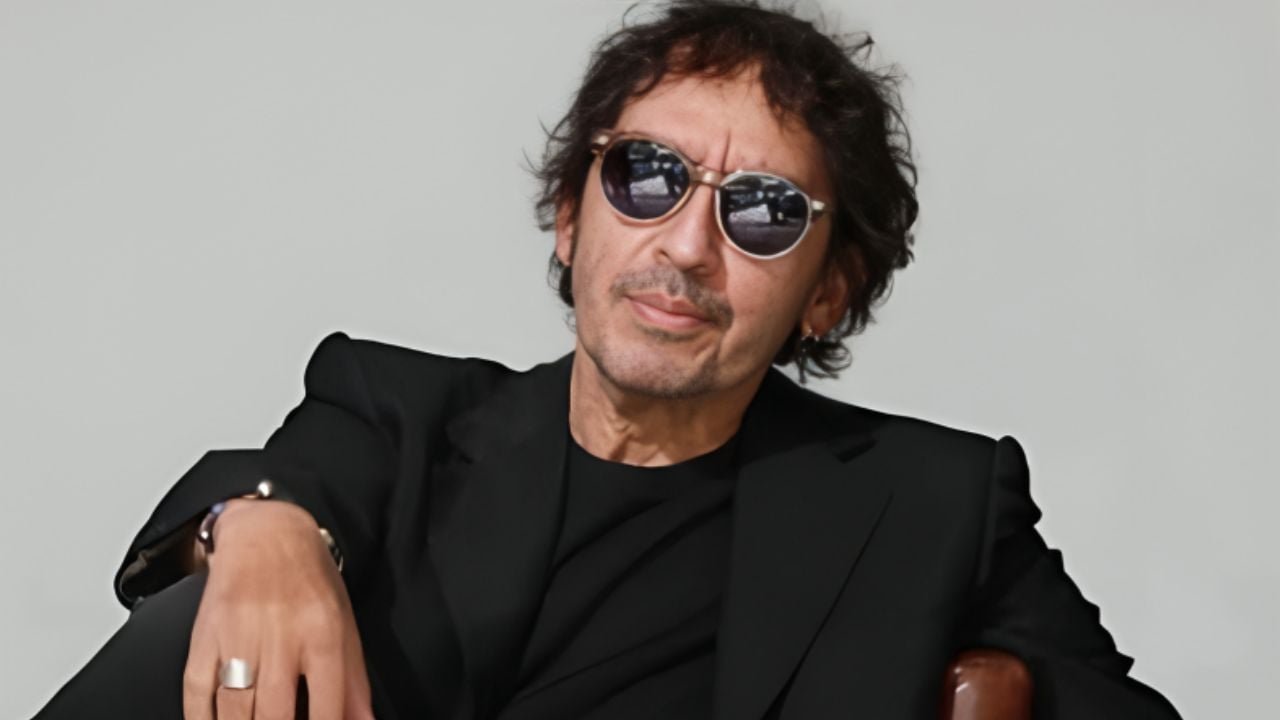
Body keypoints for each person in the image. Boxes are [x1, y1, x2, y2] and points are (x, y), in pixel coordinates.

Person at [34, 1, 1182, 718]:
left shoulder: (927, 504)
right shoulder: (395, 410)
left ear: (827, 293)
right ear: (569, 217)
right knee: (193, 629)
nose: (683, 246)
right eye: (645, 176)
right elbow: (267, 483)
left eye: (762, 212)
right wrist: (262, 527)